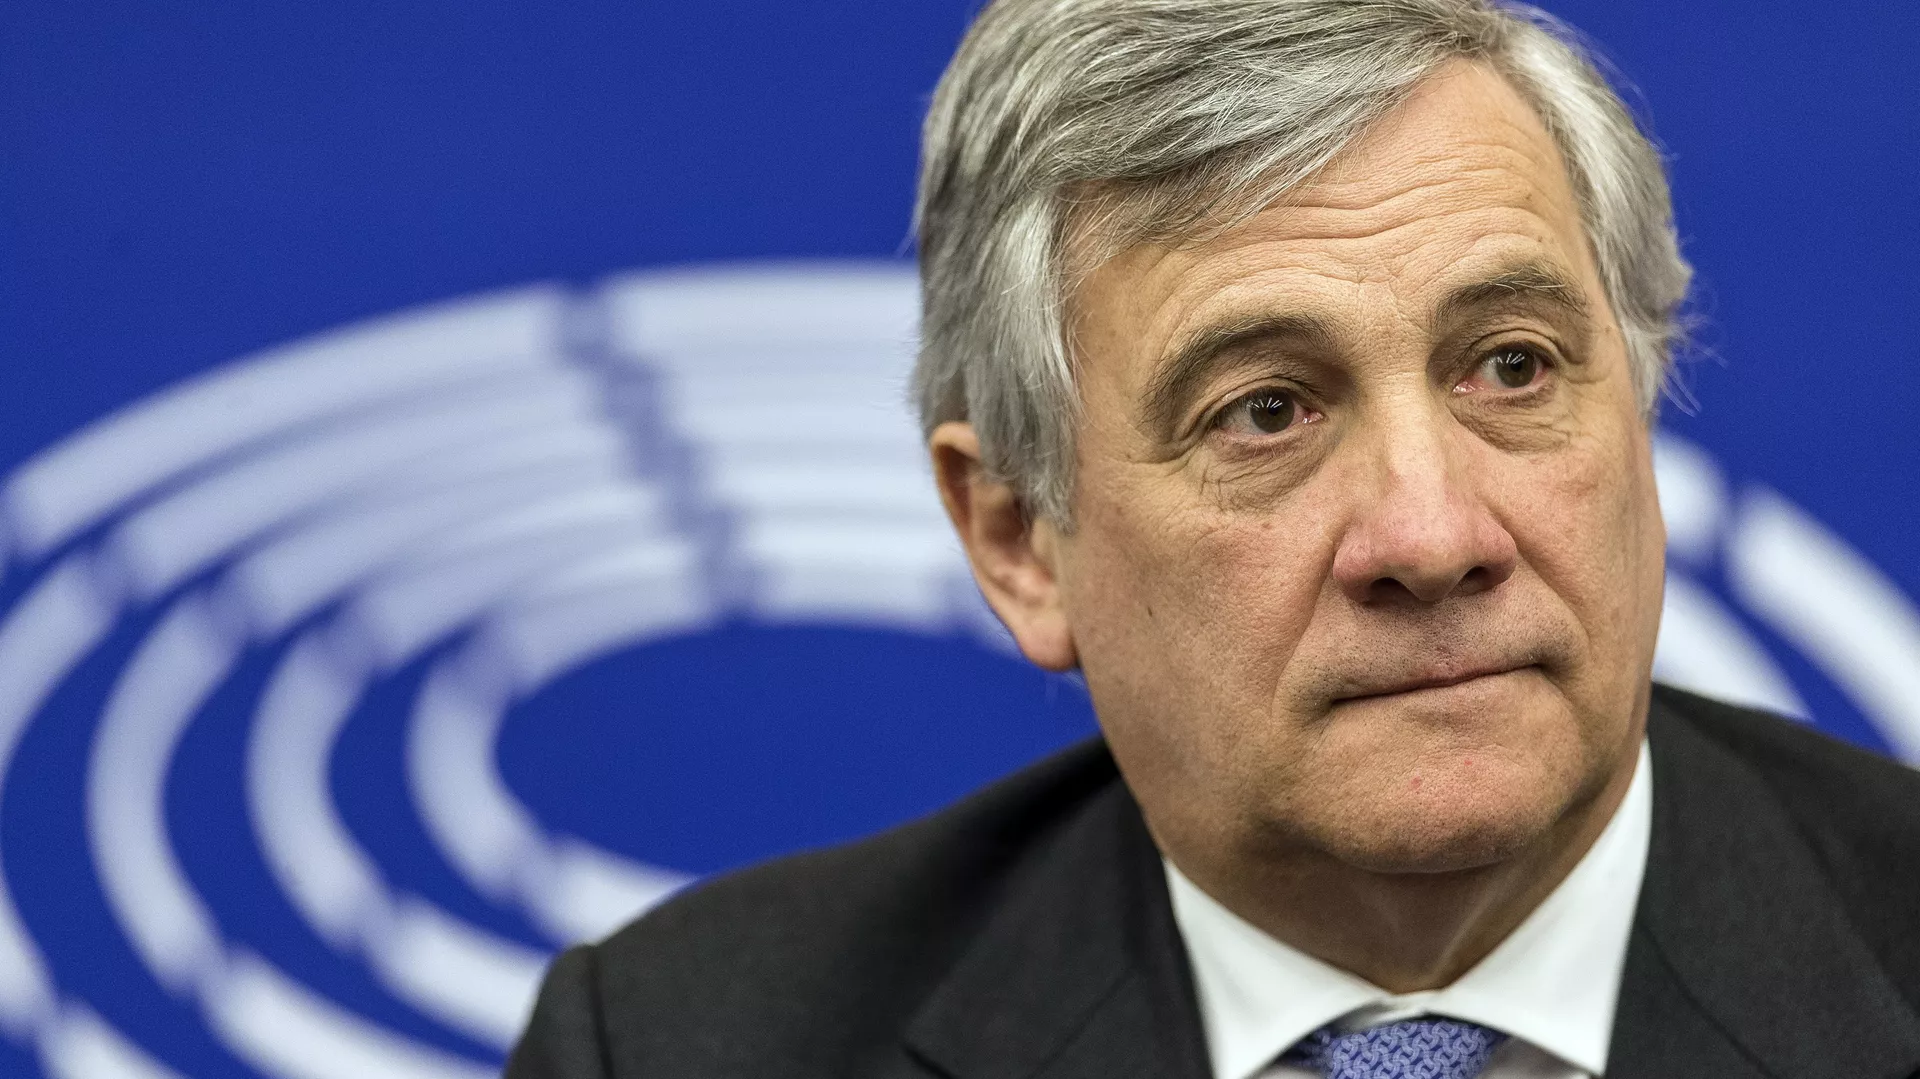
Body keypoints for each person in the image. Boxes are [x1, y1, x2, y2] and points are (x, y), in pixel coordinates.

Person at [507, 1, 1920, 1076]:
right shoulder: (684, 1045)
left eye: (1512, 367)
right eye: (1264, 411)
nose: (1434, 534)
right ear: (1018, 539)